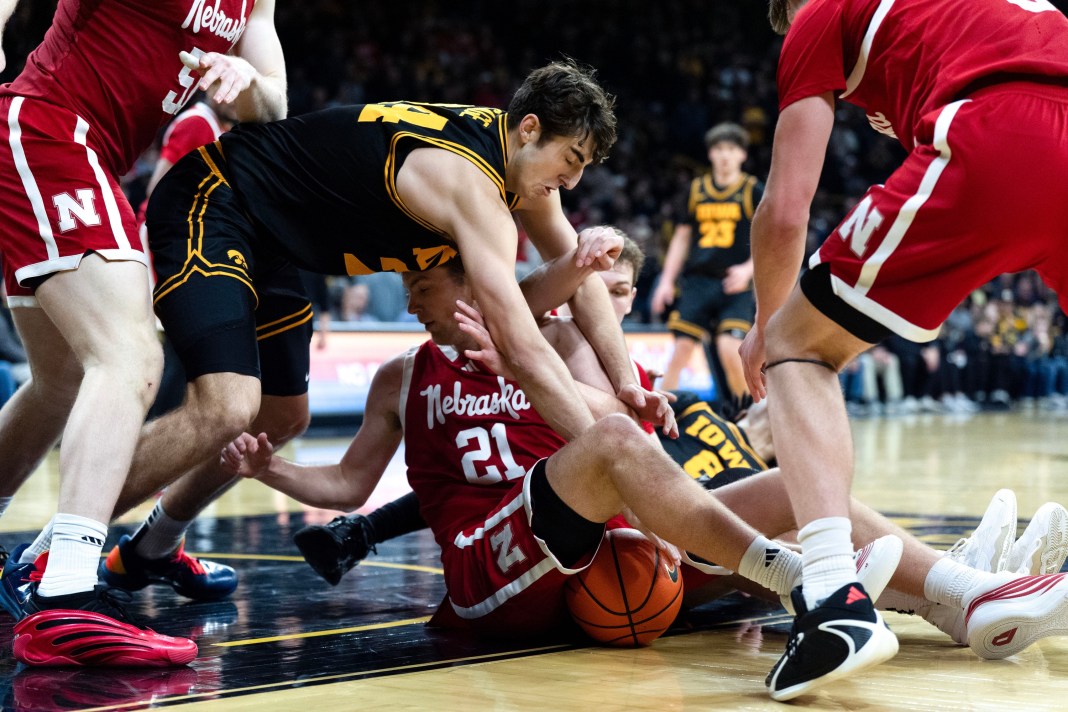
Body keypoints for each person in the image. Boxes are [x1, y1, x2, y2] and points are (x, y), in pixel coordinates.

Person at [221, 256, 1068, 679]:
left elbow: (615, 422)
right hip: (489, 571)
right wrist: (274, 472)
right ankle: (798, 582)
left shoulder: (549, 344)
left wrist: (526, 365)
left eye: (427, 278)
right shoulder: (400, 376)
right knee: (625, 458)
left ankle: (969, 601)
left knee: (796, 491)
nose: (412, 294)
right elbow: (349, 487)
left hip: (600, 556)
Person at [86, 62, 674, 609]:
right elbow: (521, 344)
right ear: (528, 129)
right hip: (215, 198)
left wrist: (626, 384)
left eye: (582, 169)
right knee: (224, 407)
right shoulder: (472, 186)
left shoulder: (518, 173)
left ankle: (151, 548)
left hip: (272, 240)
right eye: (569, 159)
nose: (570, 182)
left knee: (282, 417)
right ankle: (58, 552)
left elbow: (579, 274)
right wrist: (622, 477)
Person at [738, 0, 1068, 699]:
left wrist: (770, 326)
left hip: (1000, 126)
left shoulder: (816, 14)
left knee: (800, 344)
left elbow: (787, 205)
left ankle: (832, 599)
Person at [0, 0, 286, 667]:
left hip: (83, 154)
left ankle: (58, 572)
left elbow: (273, 102)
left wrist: (246, 87)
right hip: (48, 129)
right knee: (128, 356)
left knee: (63, 380)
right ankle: (64, 591)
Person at [651, 123, 763, 401]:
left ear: (742, 155)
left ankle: (749, 415)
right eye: (719, 149)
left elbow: (769, 237)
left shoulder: (752, 190)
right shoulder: (696, 189)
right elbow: (681, 237)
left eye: (731, 149)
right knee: (681, 351)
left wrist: (749, 269)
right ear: (711, 154)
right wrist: (665, 281)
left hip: (734, 283)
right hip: (698, 281)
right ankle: (660, 419)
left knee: (730, 349)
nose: (725, 155)